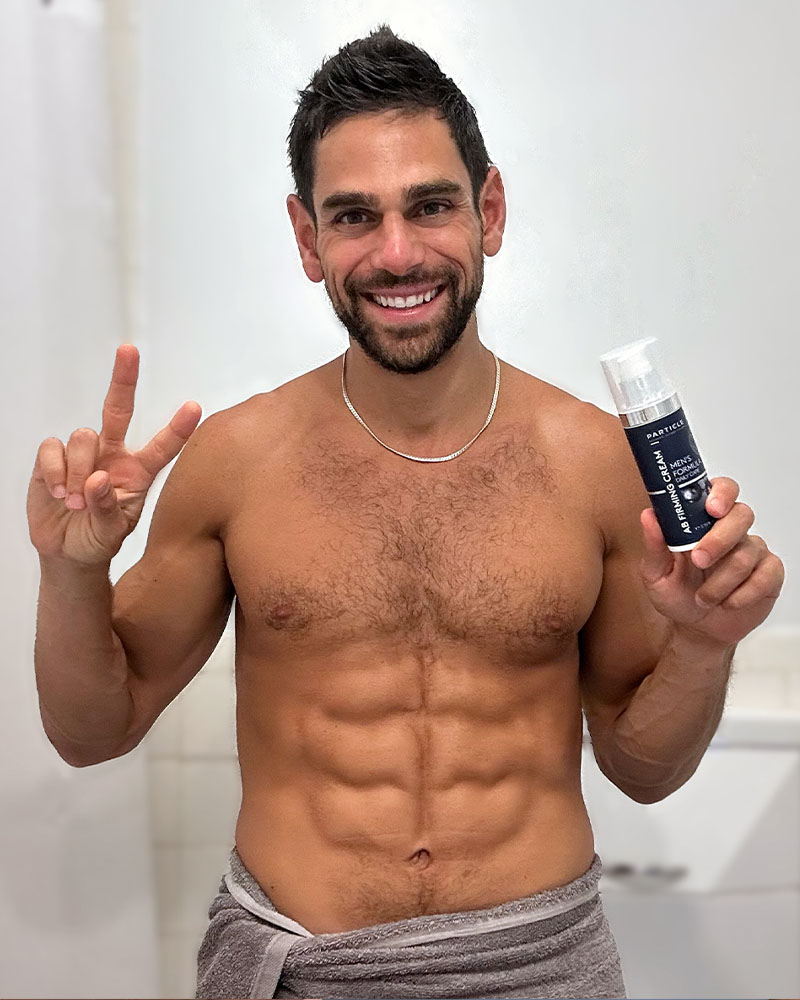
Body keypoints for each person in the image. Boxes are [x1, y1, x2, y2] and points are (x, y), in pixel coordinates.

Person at [27, 24, 784, 1000]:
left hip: (535, 965)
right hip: (301, 967)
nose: (395, 253)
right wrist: (72, 570)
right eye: (353, 217)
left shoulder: (594, 460)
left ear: (489, 210)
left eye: (428, 206)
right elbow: (92, 730)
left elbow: (642, 768)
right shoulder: (235, 460)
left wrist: (702, 646)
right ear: (307, 239)